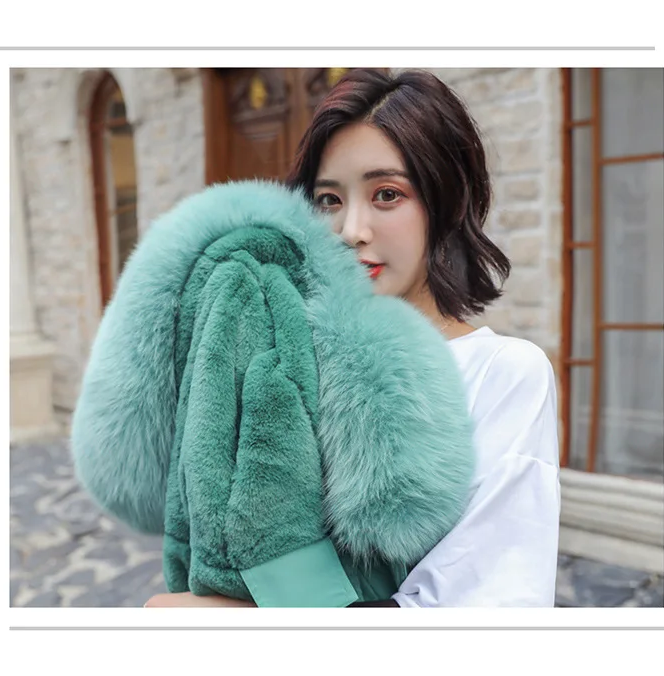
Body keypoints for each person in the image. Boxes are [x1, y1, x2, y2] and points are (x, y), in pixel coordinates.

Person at [145, 68, 561, 608]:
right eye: (328, 200)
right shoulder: (282, 354)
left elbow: (482, 608)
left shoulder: (502, 373)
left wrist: (223, 618)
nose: (350, 231)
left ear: (447, 200)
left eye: (387, 194)